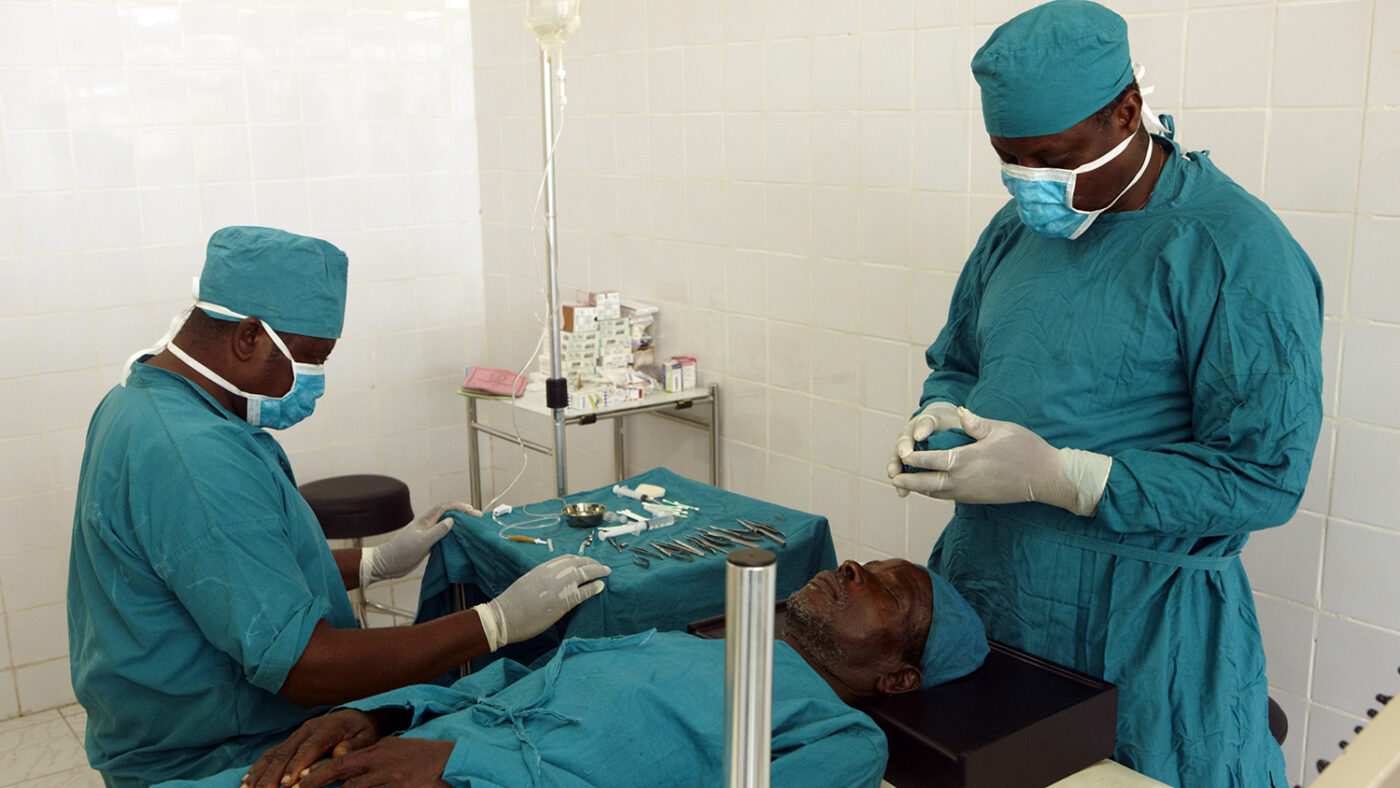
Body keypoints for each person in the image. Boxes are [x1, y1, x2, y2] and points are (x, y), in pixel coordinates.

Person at [886, 2, 1322, 786]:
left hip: (1144, 624)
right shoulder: (1015, 233)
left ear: (1129, 111)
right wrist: (940, 415)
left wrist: (1070, 478)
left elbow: (1263, 476)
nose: (1031, 182)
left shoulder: (1233, 251)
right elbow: (958, 359)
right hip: (988, 592)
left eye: (1053, 157)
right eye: (1009, 159)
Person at [67, 226, 611, 788]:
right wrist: (494, 623)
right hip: (217, 755)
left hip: (192, 728)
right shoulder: (195, 455)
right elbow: (303, 666)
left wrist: (374, 563)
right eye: (313, 360)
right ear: (248, 337)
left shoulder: (146, 401)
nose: (317, 384)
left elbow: (235, 571)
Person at [156, 558, 989, 788]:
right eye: (861, 563)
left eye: (886, 589)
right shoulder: (704, 646)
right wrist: (385, 715)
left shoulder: (841, 739)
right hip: (418, 748)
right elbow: (508, 684)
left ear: (896, 681)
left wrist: (468, 766)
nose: (849, 570)